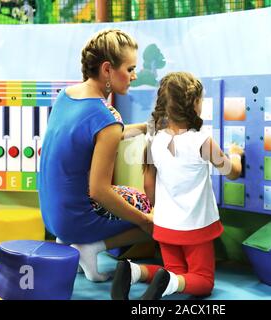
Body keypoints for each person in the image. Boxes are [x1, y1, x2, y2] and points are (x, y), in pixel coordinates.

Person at [111, 72, 244, 300]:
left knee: (175, 272)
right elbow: (231, 172)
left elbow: (148, 184)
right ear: (194, 104)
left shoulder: (155, 139)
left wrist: (157, 210)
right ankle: (168, 284)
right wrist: (236, 154)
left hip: (165, 226)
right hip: (196, 227)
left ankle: (134, 271)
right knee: (202, 281)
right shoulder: (202, 141)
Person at [38, 29, 153, 282]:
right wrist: (146, 221)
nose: (134, 76)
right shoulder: (107, 119)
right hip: (76, 219)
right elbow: (99, 191)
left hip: (51, 215)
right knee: (150, 208)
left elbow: (96, 134)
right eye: (130, 68)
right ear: (107, 70)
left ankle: (72, 241)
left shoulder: (67, 96)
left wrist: (146, 127)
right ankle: (92, 247)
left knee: (129, 199)